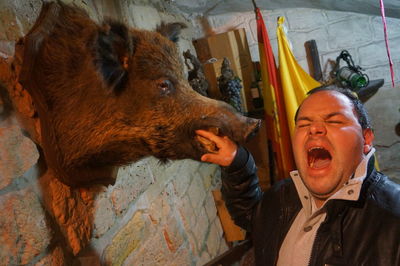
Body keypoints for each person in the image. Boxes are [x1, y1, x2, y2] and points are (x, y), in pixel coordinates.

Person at [196, 86, 400, 266]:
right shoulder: (284, 193)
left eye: (335, 121)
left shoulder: (393, 220)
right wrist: (237, 162)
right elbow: (252, 217)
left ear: (366, 139)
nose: (315, 129)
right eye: (303, 124)